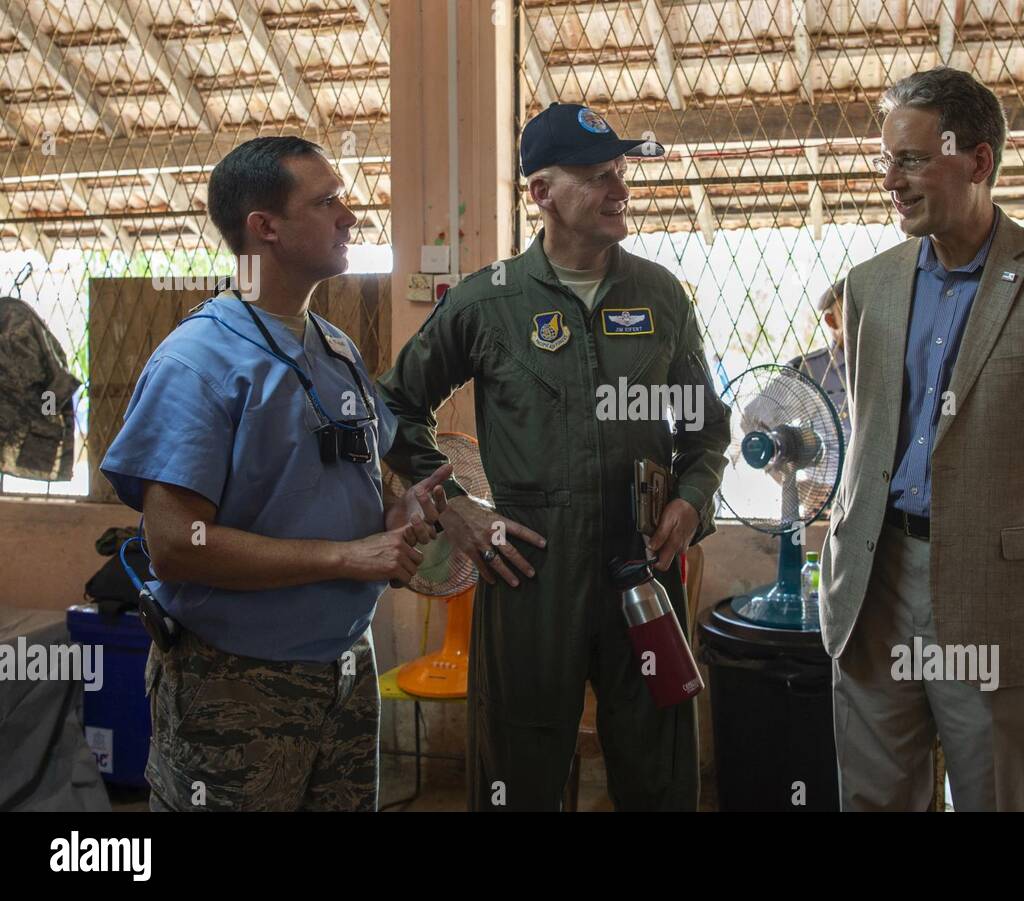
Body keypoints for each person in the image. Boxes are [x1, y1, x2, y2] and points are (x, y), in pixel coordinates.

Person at [378, 103, 731, 811]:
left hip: (644, 567)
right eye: (599, 177)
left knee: (658, 765)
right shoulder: (487, 303)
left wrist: (692, 498)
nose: (620, 190)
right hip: (529, 570)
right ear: (541, 193)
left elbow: (705, 427)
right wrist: (455, 510)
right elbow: (391, 409)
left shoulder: (660, 296)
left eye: (621, 173)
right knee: (519, 768)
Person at [100, 136, 449, 812]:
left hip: (345, 670)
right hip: (235, 686)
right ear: (265, 228)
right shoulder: (198, 363)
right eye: (326, 202)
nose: (349, 216)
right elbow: (175, 544)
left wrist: (396, 517)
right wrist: (348, 557)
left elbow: (357, 477)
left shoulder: (335, 348)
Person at [821, 66, 1024, 812]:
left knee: (997, 796)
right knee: (875, 797)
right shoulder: (871, 286)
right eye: (885, 160)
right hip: (873, 584)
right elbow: (869, 439)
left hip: (1001, 595)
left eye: (913, 159)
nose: (891, 180)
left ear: (979, 160)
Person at [788, 279, 850, 445]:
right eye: (852, 312)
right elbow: (753, 417)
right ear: (831, 321)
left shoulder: (888, 363)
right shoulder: (807, 371)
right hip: (836, 470)